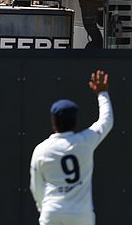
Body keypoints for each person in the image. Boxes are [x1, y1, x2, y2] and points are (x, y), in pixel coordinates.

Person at [29, 70, 113, 225]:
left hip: (52, 212)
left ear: (53, 121)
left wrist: (45, 209)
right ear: (74, 120)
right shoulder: (85, 142)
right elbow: (106, 120)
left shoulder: (41, 150)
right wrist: (102, 93)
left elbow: (36, 187)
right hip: (80, 214)